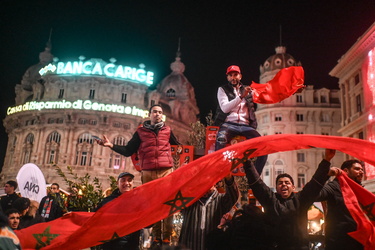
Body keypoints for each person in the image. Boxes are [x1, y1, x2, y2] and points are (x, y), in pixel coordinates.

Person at [97, 104, 180, 246]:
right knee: (152, 204)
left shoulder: (167, 130)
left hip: (166, 170)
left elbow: (179, 145)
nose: (157, 114)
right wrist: (111, 145)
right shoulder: (141, 132)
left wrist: (178, 157)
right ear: (149, 114)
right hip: (148, 171)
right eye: (154, 112)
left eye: (160, 112)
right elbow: (128, 150)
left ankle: (166, 236)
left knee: (167, 202)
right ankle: (156, 235)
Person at [244, 149, 337, 249]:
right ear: (276, 188)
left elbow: (314, 184)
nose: (284, 184)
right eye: (280, 183)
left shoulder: (301, 199)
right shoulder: (271, 201)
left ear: (293, 187)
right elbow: (258, 185)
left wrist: (327, 160)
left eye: (287, 182)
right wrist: (247, 162)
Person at [213, 65, 267, 174]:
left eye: (235, 75)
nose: (233, 78)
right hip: (229, 124)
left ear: (240, 76)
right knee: (220, 141)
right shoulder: (222, 90)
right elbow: (225, 108)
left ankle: (255, 178)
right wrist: (241, 96)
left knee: (263, 146)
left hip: (246, 126)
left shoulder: (249, 90)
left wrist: (291, 90)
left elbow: (267, 94)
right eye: (230, 75)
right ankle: (219, 174)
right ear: (227, 77)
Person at [178, 174, 239, 250]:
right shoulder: (189, 201)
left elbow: (233, 196)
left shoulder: (220, 200)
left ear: (214, 182)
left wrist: (229, 178)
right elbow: (176, 196)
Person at [316, 159, 365, 249]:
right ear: (346, 171)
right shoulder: (334, 186)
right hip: (339, 243)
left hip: (358, 243)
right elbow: (316, 195)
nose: (361, 172)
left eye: (362, 170)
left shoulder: (361, 191)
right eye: (357, 169)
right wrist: (326, 174)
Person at [94, 172, 140, 250]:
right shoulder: (108, 201)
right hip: (111, 245)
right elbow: (94, 218)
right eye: (123, 180)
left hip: (131, 245)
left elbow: (148, 224)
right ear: (117, 183)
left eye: (129, 180)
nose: (126, 183)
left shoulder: (138, 201)